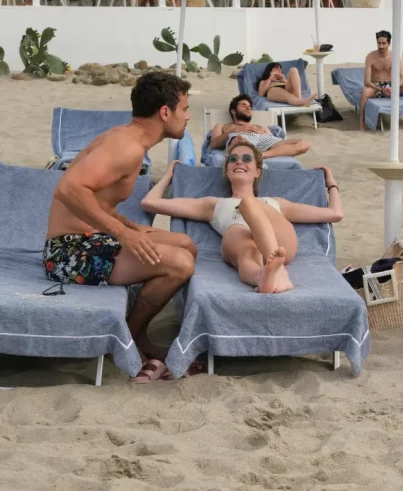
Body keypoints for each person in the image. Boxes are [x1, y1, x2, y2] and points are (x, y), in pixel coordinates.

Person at [43, 71, 198, 383]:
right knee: (180, 264)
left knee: (186, 244)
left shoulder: (130, 140)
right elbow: (68, 189)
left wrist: (128, 226)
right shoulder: (124, 146)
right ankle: (128, 338)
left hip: (91, 238)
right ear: (165, 112)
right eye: (184, 108)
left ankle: (133, 327)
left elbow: (97, 199)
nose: (188, 116)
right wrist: (124, 233)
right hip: (67, 254)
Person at [141, 141, 343, 294]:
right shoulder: (211, 205)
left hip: (280, 241)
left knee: (248, 203)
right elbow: (149, 203)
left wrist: (331, 184)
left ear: (257, 171)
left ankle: (277, 268)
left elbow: (335, 214)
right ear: (227, 171)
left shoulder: (277, 202)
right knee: (243, 247)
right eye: (233, 159)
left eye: (247, 159)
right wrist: (169, 176)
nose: (239, 161)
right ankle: (262, 277)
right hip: (245, 245)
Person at [360, 30, 403, 131]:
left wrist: (393, 88)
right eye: (379, 43)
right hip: (378, 87)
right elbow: (366, 81)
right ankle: (361, 123)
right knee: (365, 92)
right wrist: (382, 90)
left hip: (393, 86)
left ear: (389, 43)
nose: (381, 46)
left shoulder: (395, 57)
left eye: (384, 43)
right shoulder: (370, 57)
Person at [209, 95, 309, 159]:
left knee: (303, 144)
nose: (248, 108)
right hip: (240, 138)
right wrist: (236, 130)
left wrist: (263, 134)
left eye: (249, 106)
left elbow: (274, 142)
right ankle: (247, 152)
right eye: (243, 105)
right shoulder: (222, 126)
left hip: (265, 142)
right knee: (239, 140)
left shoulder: (262, 127)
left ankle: (260, 155)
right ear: (233, 111)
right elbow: (213, 144)